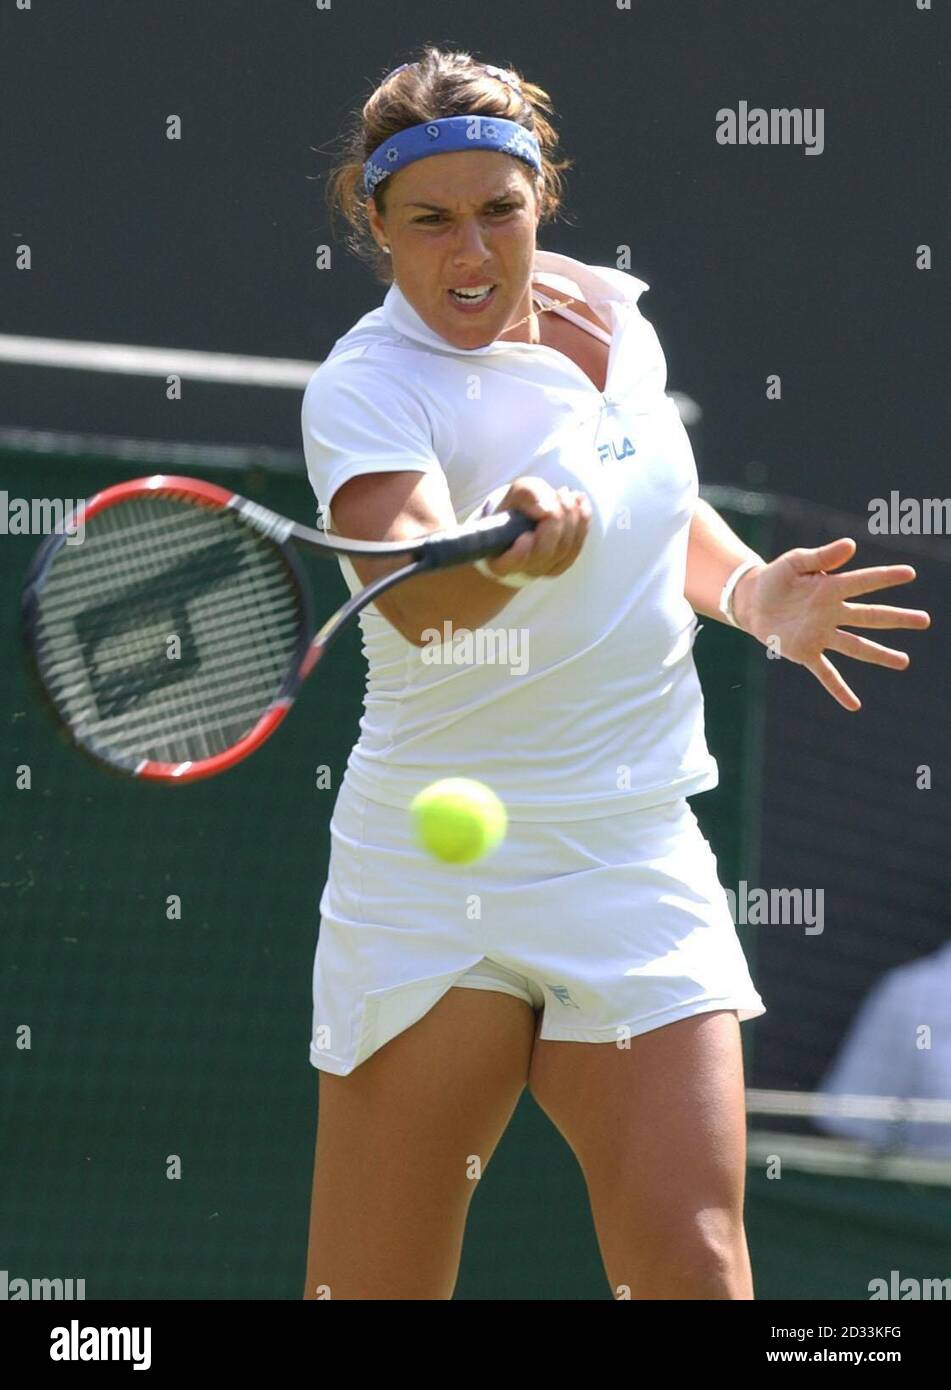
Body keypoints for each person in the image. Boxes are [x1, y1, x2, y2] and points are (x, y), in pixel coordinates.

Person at [299, 46, 931, 1300]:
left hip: (636, 846)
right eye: (430, 223)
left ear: (545, 199)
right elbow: (421, 592)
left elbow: (656, 504)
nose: (470, 255)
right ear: (374, 227)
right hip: (439, 877)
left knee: (696, 1266)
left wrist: (753, 595)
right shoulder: (368, 389)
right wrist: (512, 559)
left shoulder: (609, 315)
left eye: (500, 212)